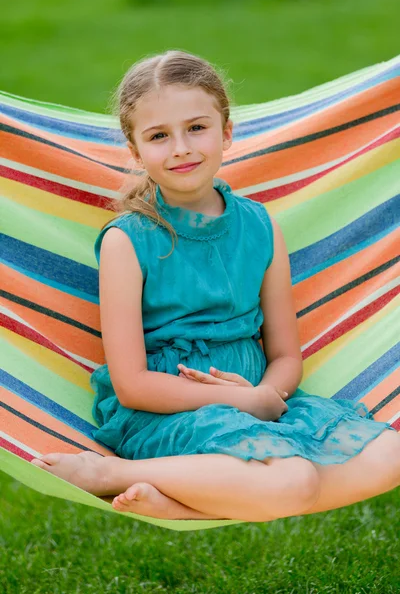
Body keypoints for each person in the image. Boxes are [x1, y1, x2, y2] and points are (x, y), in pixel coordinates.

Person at [31, 50, 400, 522]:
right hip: (169, 410)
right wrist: (238, 400)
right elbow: (132, 386)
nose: (181, 147)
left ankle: (183, 501)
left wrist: (265, 397)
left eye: (197, 128)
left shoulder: (260, 226)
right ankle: (113, 473)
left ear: (227, 132)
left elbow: (286, 354)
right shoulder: (129, 241)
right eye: (159, 136)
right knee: (295, 478)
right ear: (135, 150)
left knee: (389, 454)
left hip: (257, 398)